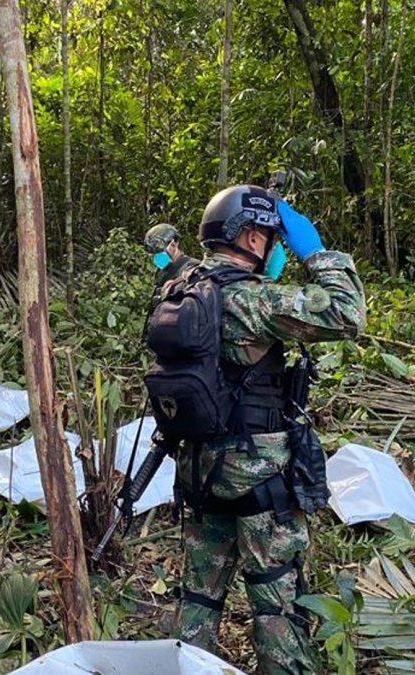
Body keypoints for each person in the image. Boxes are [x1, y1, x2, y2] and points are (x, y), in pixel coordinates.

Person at [163, 185, 366, 673]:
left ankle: (187, 665)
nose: (276, 247)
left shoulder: (181, 286)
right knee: (276, 597)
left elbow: (184, 271)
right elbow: (347, 314)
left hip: (198, 467)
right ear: (252, 236)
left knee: (199, 595)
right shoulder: (253, 299)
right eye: (272, 238)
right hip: (258, 474)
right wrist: (316, 254)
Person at [144, 223, 196, 288]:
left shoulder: (191, 268)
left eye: (160, 251)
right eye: (154, 253)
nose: (157, 256)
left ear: (173, 244)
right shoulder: (162, 272)